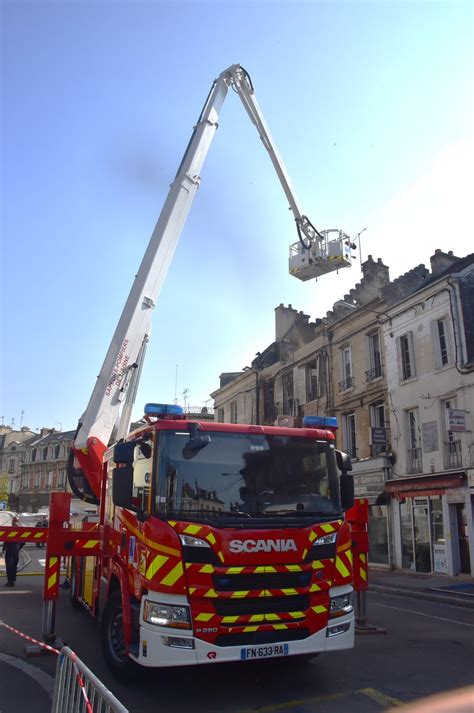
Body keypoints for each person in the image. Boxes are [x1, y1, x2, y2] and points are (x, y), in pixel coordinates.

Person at [2, 517, 24, 587]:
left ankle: (10, 581)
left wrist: (3, 549)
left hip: (10, 550)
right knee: (14, 565)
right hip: (16, 550)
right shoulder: (20, 530)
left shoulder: (10, 530)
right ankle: (13, 580)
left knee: (9, 566)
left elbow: (6, 540)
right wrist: (19, 547)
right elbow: (23, 541)